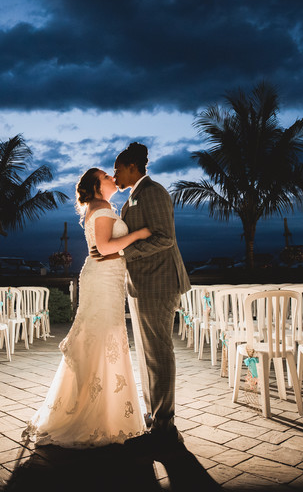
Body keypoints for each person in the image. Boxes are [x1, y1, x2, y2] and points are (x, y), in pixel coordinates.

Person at [22, 167, 152, 447]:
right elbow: (105, 247)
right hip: (103, 279)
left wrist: (118, 248)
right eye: (106, 176)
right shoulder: (102, 206)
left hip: (107, 277)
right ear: (96, 185)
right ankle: (95, 415)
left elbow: (104, 248)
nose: (112, 178)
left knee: (103, 339)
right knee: (102, 338)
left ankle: (105, 410)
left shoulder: (100, 206)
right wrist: (139, 234)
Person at [94, 142, 190, 457]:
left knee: (158, 355)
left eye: (118, 168)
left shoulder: (154, 193)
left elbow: (165, 238)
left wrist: (123, 250)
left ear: (132, 167)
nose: (115, 174)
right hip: (141, 285)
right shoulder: (133, 198)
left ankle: (165, 429)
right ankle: (155, 422)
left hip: (159, 283)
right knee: (147, 357)